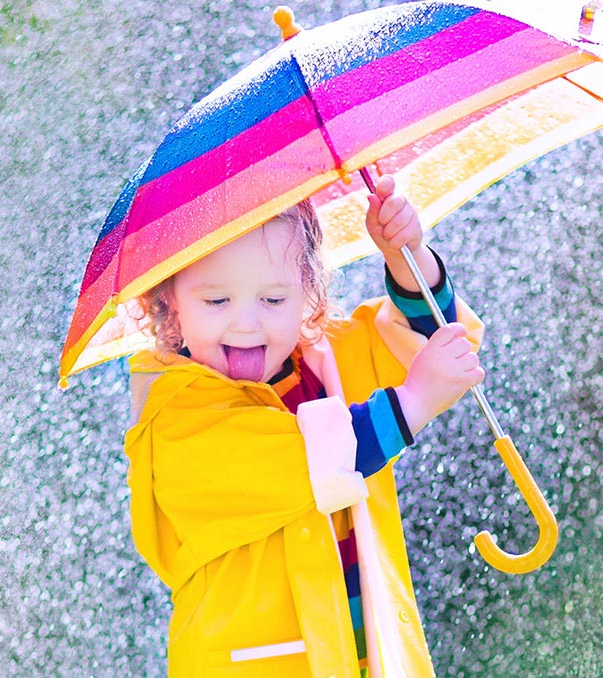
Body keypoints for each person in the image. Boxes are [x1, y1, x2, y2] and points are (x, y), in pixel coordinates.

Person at [124, 175, 483, 677]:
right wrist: (417, 399)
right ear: (169, 304)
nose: (247, 323)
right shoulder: (177, 418)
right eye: (216, 301)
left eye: (273, 300)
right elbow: (313, 462)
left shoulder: (325, 359)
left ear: (309, 294)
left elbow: (431, 345)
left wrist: (407, 258)